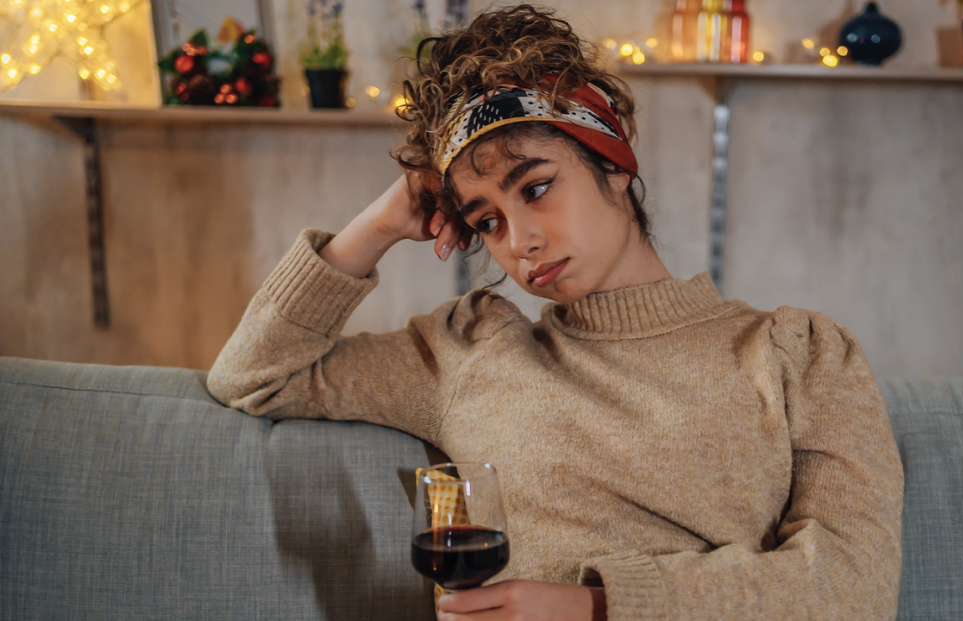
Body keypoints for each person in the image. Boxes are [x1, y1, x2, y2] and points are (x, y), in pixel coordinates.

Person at [207, 5, 903, 620]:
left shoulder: (798, 353)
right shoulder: (472, 347)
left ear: (615, 163)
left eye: (536, 187)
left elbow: (854, 587)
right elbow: (251, 375)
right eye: (486, 221)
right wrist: (380, 223)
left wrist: (596, 605)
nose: (519, 241)